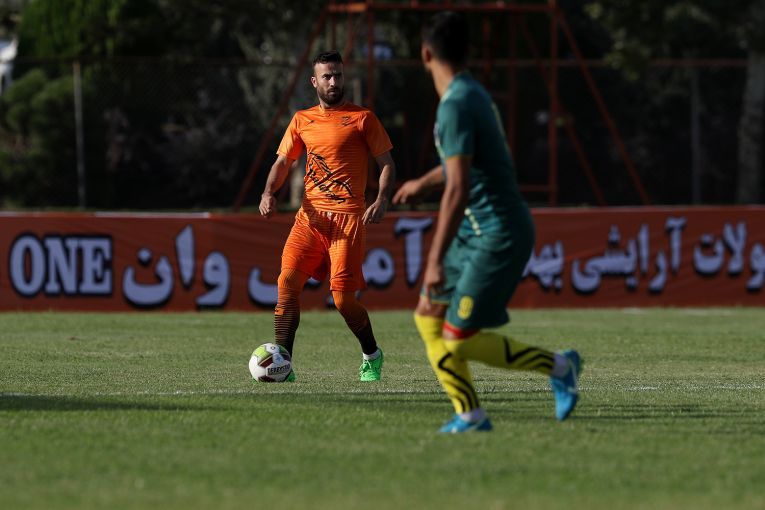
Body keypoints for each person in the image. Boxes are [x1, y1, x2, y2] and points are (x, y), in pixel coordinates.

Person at [392, 12, 582, 432]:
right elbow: (462, 165)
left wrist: (434, 260)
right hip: (475, 231)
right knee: (427, 316)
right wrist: (423, 182)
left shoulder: (455, 105)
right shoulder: (471, 93)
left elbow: (458, 188)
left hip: (498, 232)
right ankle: (470, 414)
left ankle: (560, 367)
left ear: (426, 54)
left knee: (459, 338)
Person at [260, 50, 395, 382]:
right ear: (314, 81)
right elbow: (283, 162)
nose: (334, 82)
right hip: (310, 218)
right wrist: (268, 193)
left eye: (338, 75)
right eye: (327, 76)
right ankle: (283, 365)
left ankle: (372, 354)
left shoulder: (363, 118)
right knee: (286, 283)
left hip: (347, 220)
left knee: (343, 300)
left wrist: (382, 198)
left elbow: (387, 164)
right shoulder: (301, 119)